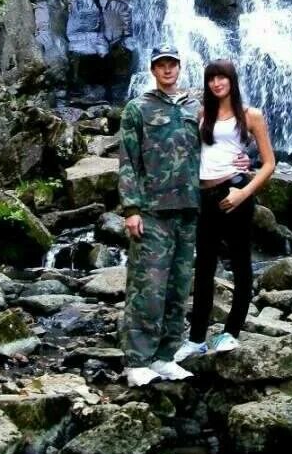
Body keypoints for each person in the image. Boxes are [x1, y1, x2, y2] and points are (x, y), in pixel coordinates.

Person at [174, 59, 275, 360]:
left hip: (235, 192)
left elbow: (269, 163)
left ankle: (230, 333)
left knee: (241, 264)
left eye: (222, 78)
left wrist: (244, 192)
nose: (216, 83)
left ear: (232, 81)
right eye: (211, 79)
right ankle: (195, 339)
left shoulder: (251, 115)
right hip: (205, 195)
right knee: (204, 268)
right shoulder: (202, 114)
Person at [118, 44, 202, 387]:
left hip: (189, 209)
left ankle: (166, 356)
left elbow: (214, 147)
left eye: (172, 64)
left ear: (179, 67)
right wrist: (131, 208)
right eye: (161, 65)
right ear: (153, 70)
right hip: (152, 211)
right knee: (147, 287)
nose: (167, 70)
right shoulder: (137, 108)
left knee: (178, 287)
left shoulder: (194, 107)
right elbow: (128, 161)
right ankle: (137, 361)